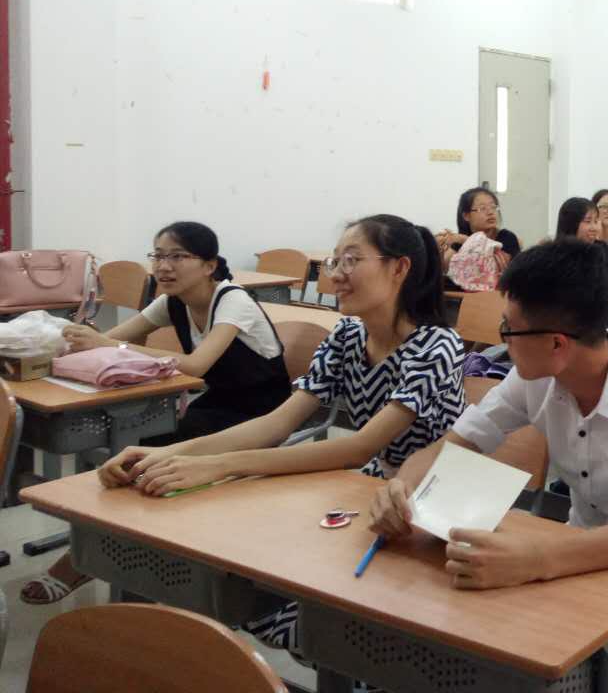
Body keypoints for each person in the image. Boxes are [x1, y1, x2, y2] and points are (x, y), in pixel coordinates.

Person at [94, 214, 466, 652]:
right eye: (334, 261)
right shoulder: (348, 335)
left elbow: (358, 446)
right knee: (261, 569)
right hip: (370, 488)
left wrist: (218, 466)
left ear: (399, 268)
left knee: (337, 624)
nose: (335, 275)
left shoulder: (437, 346)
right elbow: (278, 423)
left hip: (431, 502)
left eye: (351, 260)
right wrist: (172, 454)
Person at [368, 240, 608, 693]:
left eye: (509, 329)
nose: (502, 341)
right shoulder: (532, 376)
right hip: (571, 572)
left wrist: (537, 559)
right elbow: (452, 447)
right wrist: (401, 487)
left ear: (556, 344)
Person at [21, 220, 292, 606]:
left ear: (209, 265)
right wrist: (71, 340)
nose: (164, 266)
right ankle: (109, 549)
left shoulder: (233, 300)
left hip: (263, 416)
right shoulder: (172, 302)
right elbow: (112, 340)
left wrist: (109, 346)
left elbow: (196, 366)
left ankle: (91, 557)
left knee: (150, 460)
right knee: (139, 449)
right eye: (159, 256)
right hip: (216, 405)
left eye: (178, 256)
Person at [556, 197, 608, 330]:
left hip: (606, 320)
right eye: (588, 222)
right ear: (571, 224)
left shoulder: (602, 249)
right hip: (566, 321)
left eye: (596, 221)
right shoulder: (556, 253)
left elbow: (606, 292)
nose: (594, 227)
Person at [437, 187, 520, 280]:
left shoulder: (507, 237)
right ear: (466, 216)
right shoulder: (460, 242)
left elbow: (495, 269)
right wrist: (439, 249)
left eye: (493, 207)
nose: (490, 212)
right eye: (482, 208)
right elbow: (445, 270)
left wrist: (466, 241)